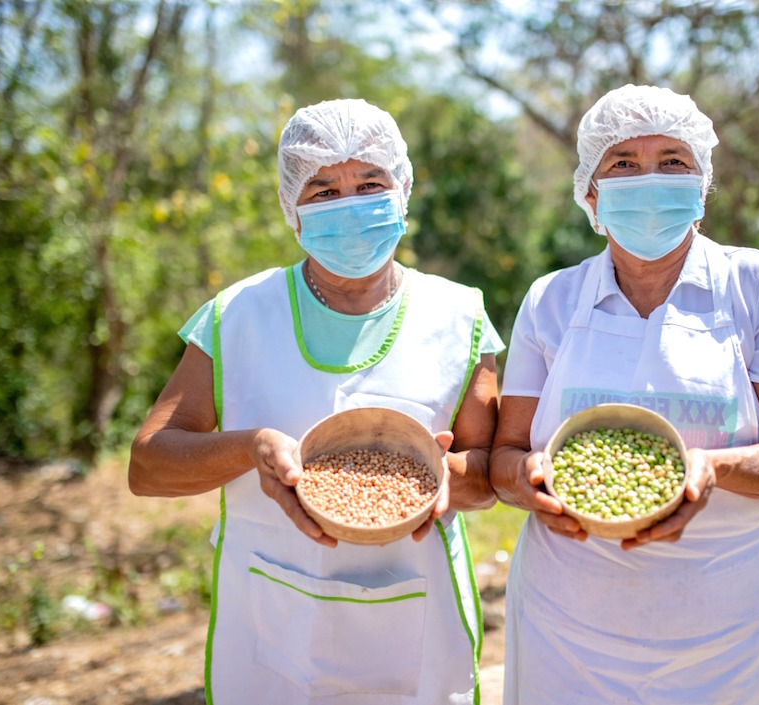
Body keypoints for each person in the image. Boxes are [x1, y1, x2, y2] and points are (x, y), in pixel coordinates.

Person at [129, 98, 503, 704]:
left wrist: (435, 477)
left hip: (415, 629)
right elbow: (147, 465)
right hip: (272, 632)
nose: (350, 205)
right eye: (323, 191)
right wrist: (251, 448)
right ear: (292, 210)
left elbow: (491, 476)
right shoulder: (240, 314)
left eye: (369, 183)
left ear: (402, 190)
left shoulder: (459, 317)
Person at [489, 84, 759, 704]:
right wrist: (532, 482)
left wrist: (710, 468)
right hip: (565, 623)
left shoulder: (755, 285)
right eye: (623, 163)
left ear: (701, 187)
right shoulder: (551, 300)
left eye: (673, 161)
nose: (649, 178)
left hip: (718, 624)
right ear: (590, 195)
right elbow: (505, 455)